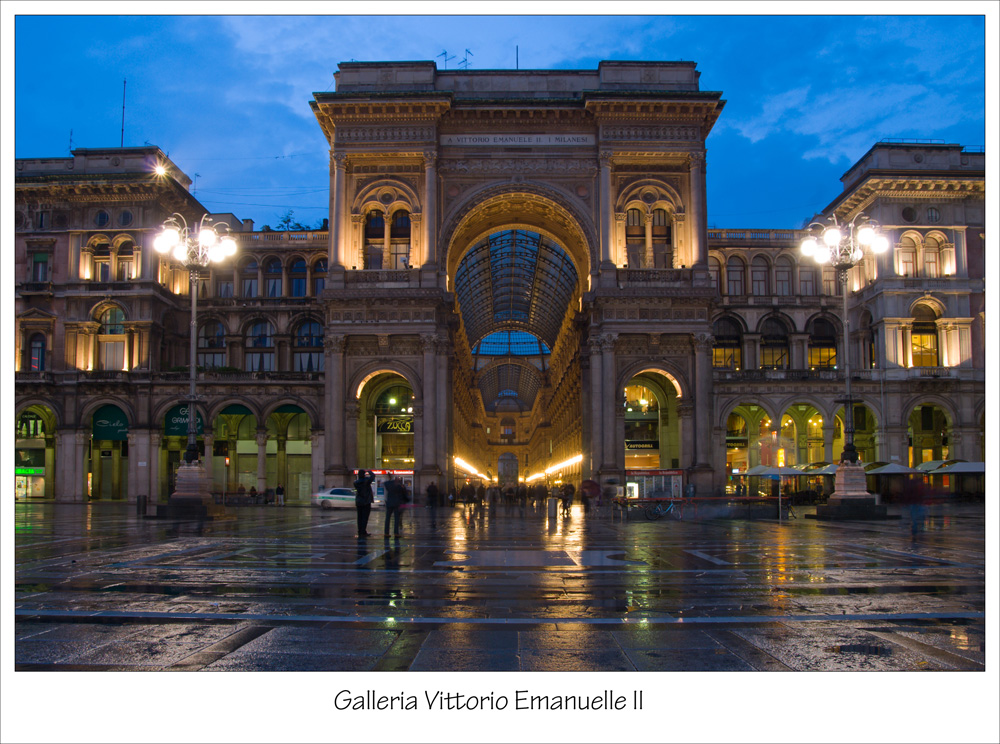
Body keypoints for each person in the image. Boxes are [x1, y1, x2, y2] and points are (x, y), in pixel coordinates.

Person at [353, 470, 375, 538]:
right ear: (364, 475)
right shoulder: (366, 481)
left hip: (359, 501)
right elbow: (373, 476)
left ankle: (360, 531)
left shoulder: (356, 482)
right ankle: (363, 531)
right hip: (366, 501)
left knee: (359, 517)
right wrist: (369, 471)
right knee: (365, 517)